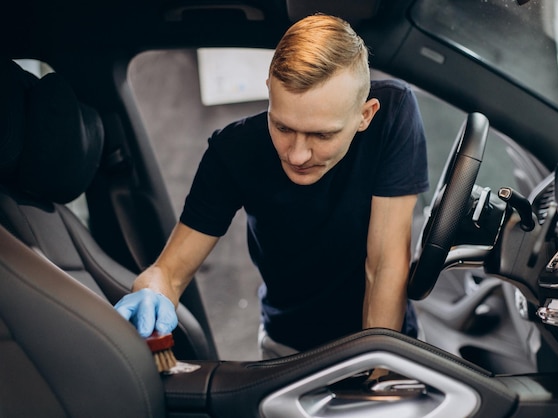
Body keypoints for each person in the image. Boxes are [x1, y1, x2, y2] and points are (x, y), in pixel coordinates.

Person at [115, 13, 429, 359]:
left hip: (385, 338)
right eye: (282, 127)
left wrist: (378, 372)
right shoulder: (233, 150)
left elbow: (384, 264)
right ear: (269, 92)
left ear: (365, 116)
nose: (297, 155)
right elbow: (168, 273)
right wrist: (153, 293)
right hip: (288, 346)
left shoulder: (392, 115)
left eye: (321, 135)